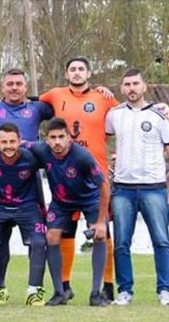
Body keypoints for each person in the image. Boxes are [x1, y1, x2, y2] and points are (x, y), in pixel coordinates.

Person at [0, 69, 54, 305]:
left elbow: (65, 106)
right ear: (2, 86)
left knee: (39, 241)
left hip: (28, 188)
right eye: (10, 84)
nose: (14, 87)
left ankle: (34, 290)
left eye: (18, 83)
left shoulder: (38, 110)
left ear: (26, 87)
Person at [105, 69, 169, 306]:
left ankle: (165, 290)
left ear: (144, 86)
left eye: (135, 83)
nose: (131, 88)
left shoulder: (159, 115)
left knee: (161, 240)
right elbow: (100, 140)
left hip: (154, 188)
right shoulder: (114, 115)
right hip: (123, 190)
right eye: (127, 84)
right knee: (121, 242)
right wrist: (108, 161)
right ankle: (125, 291)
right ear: (121, 89)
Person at [28, 118, 111, 306]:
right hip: (61, 202)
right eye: (52, 137)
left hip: (89, 199)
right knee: (51, 237)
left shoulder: (82, 156)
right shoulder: (42, 149)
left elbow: (104, 185)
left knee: (100, 236)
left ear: (69, 138)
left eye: (61, 137)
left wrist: (100, 221)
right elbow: (18, 143)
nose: (57, 142)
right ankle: (60, 292)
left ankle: (95, 293)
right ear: (46, 139)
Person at [0, 123, 59, 307]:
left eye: (13, 141)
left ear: (19, 141)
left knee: (39, 242)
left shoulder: (32, 157)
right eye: (3, 142)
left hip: (28, 208)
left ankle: (34, 291)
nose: (8, 146)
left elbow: (55, 151)